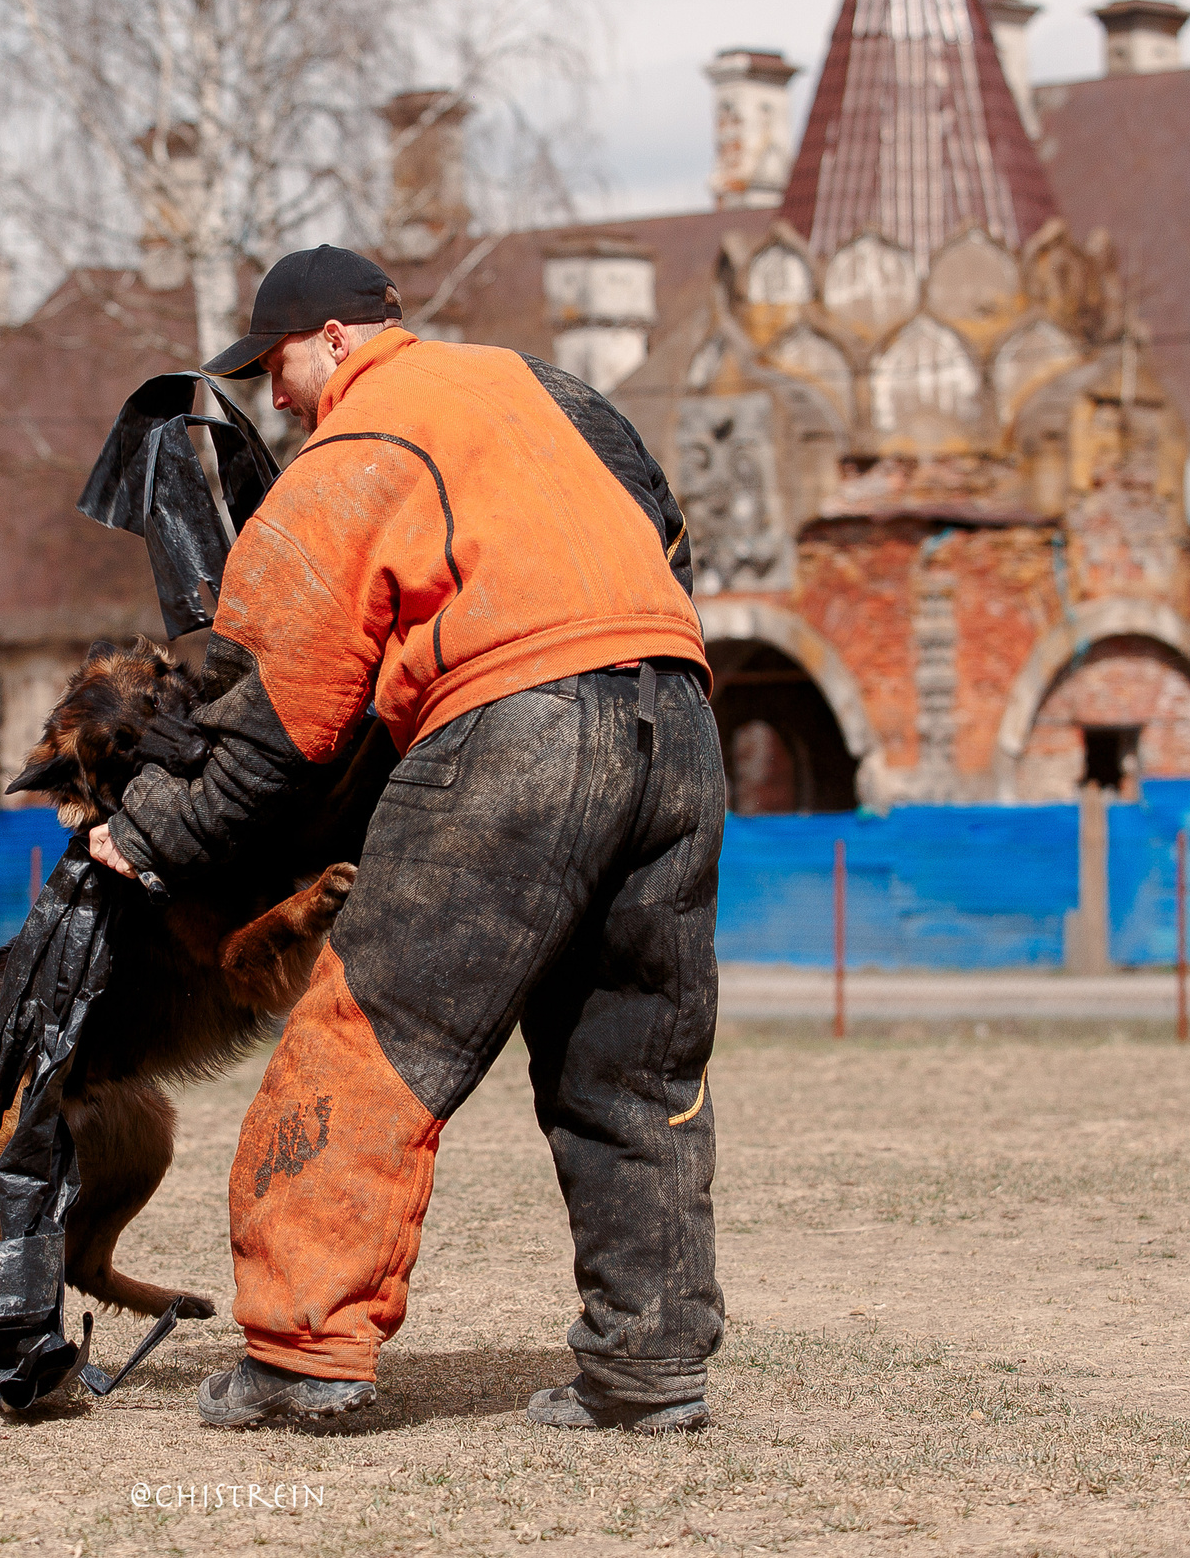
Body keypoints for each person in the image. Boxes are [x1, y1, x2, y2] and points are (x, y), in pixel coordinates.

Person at [85, 244, 727, 1432]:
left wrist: (151, 832)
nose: (271, 398)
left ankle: (297, 1358)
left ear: (334, 340)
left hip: (517, 729)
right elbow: (659, 512)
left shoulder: (352, 451)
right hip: (679, 715)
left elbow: (273, 711)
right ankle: (649, 1372)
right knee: (632, 1067)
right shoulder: (540, 390)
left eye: (274, 365)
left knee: (370, 1035)